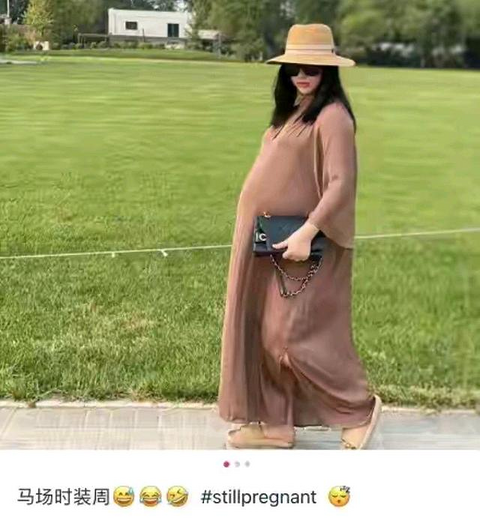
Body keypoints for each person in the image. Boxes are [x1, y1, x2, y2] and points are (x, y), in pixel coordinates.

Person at [217, 23, 382, 449]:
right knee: (266, 334)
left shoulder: (333, 117)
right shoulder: (295, 112)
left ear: (329, 70)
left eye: (312, 68)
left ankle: (358, 410)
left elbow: (341, 183)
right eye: (294, 68)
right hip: (269, 241)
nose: (302, 75)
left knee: (293, 337)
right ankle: (276, 424)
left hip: (304, 243)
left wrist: (309, 230)